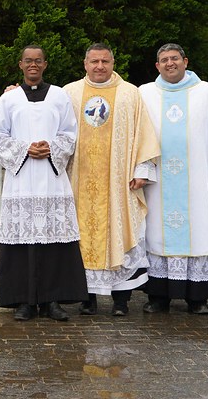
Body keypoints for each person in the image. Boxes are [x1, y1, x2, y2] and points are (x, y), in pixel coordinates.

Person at [0, 45, 89, 321]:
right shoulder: (9, 99)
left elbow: (70, 132)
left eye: (38, 61)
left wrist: (52, 148)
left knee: (54, 240)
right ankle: (23, 302)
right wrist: (24, 149)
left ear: (45, 65)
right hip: (21, 181)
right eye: (28, 61)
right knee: (21, 240)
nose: (33, 65)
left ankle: (52, 301)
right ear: (21, 65)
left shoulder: (59, 96)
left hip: (51, 179)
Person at [138, 43, 208, 315]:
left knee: (198, 230)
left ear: (185, 61)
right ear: (157, 66)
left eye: (175, 58)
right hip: (157, 182)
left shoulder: (205, 92)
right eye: (164, 60)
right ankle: (159, 296)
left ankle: (198, 297)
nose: (170, 63)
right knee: (157, 232)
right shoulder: (145, 93)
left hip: (196, 181)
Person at [63, 43, 159, 316]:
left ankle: (121, 301)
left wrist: (141, 170)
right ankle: (87, 299)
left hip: (119, 182)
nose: (99, 66)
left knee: (122, 235)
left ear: (113, 62)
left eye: (105, 61)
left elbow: (144, 134)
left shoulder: (130, 94)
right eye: (94, 61)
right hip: (77, 181)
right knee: (81, 238)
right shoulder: (69, 93)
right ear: (85, 63)